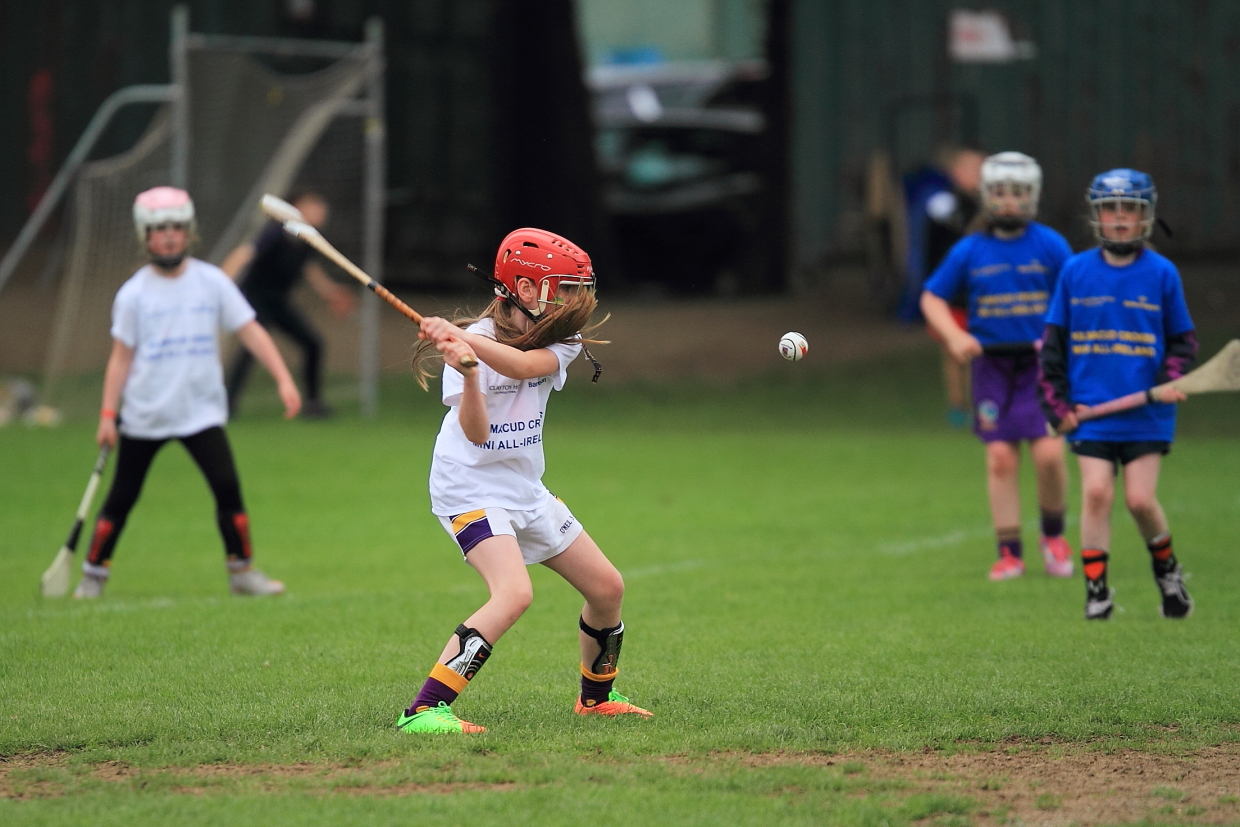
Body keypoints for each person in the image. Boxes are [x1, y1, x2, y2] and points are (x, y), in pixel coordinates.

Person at [397, 227, 650, 734]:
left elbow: (522, 363)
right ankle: (424, 710)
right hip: (468, 488)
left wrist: (463, 337)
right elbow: (475, 433)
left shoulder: (561, 340)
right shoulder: (470, 348)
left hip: (525, 488)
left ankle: (596, 698)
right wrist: (468, 372)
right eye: (561, 289)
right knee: (513, 593)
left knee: (607, 588)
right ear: (526, 289)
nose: (571, 302)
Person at [73, 187, 300, 599]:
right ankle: (93, 575)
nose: (169, 236)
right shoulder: (133, 294)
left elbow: (250, 329)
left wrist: (283, 378)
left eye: (177, 228)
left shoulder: (210, 282)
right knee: (121, 498)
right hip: (145, 416)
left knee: (227, 487)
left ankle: (241, 572)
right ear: (146, 237)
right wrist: (108, 415)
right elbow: (120, 359)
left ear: (188, 232)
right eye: (159, 230)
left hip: (200, 414)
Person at [1038, 169, 1197, 620]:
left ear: (1146, 216)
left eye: (1131, 209)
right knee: (1096, 494)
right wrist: (1060, 405)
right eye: (1111, 209)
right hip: (1092, 410)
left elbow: (1183, 343)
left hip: (1147, 412)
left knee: (1140, 501)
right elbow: (1052, 348)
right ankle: (1097, 594)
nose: (1121, 218)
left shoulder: (1162, 273)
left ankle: (1168, 575)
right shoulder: (1075, 271)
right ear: (1097, 215)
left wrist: (1169, 379)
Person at [921, 152, 1075, 582]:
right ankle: (1009, 553)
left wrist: (1059, 336)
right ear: (987, 196)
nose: (1009, 201)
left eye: (1018, 193)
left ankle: (1054, 537)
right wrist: (955, 337)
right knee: (1001, 460)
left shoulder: (1050, 245)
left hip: (1041, 367)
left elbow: (1076, 297)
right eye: (1001, 193)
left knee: (1048, 455)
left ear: (1033, 197)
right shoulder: (970, 249)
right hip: (992, 367)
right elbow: (931, 298)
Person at [222, 191, 355, 419]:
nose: (320, 213)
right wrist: (219, 285)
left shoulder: (308, 240)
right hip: (255, 301)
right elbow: (244, 254)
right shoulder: (275, 234)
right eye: (314, 207)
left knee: (313, 344)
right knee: (249, 352)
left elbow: (309, 268)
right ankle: (227, 406)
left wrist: (331, 292)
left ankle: (313, 404)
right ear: (295, 209)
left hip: (279, 303)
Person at [900, 146, 987, 427]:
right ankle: (957, 405)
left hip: (983, 292)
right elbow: (956, 233)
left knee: (983, 351)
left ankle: (983, 405)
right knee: (954, 350)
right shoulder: (942, 202)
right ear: (955, 172)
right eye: (970, 170)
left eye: (981, 170)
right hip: (952, 292)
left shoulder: (990, 206)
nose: (976, 176)